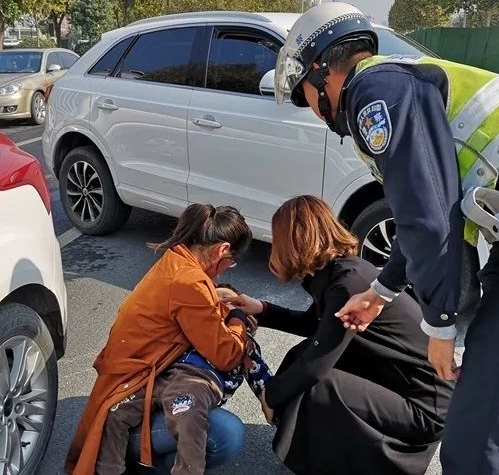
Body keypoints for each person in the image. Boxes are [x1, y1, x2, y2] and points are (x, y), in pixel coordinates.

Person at [272, 2, 499, 474]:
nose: (314, 112)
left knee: (483, 445)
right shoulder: (401, 78)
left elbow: (430, 222)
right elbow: (422, 215)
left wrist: (440, 327)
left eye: (305, 97)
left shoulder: (374, 93)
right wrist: (380, 292)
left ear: (320, 73)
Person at [223, 195, 453, 475]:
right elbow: (315, 327)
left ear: (295, 240)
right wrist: (259, 308)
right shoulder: (342, 272)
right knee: (300, 358)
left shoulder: (347, 283)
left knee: (316, 384)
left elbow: (317, 364)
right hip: (405, 384)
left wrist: (271, 396)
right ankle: (329, 450)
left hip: (426, 407)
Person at [65, 204, 257, 475]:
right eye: (230, 262)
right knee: (227, 433)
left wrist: (216, 296)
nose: (225, 270)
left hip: (119, 392)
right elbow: (225, 355)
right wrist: (237, 316)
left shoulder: (176, 261)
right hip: (130, 398)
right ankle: (153, 466)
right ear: (221, 250)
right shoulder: (190, 284)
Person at [95, 284, 273, 475]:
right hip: (159, 381)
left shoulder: (244, 345)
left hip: (197, 383)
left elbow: (262, 378)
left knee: (190, 419)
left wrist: (269, 399)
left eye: (228, 302)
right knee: (116, 411)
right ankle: (110, 469)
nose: (219, 304)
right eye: (214, 300)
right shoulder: (191, 326)